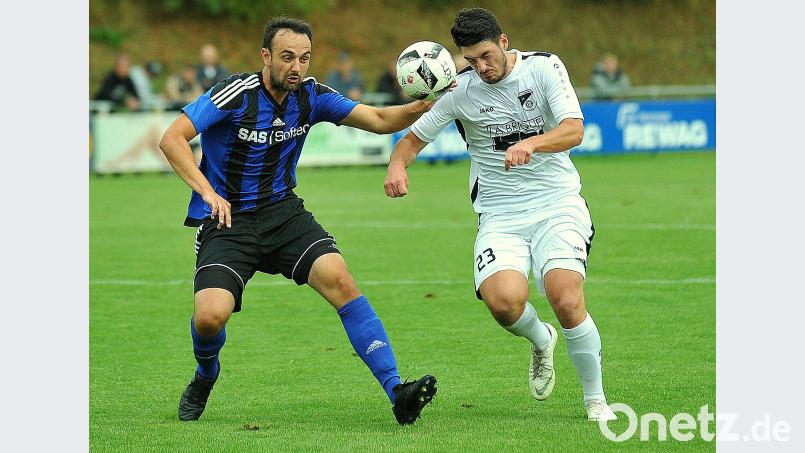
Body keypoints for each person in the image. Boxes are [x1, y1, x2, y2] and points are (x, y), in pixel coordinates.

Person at [159, 16, 439, 425]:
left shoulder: (313, 97)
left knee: (342, 282)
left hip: (283, 213)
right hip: (227, 221)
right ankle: (206, 375)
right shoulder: (235, 93)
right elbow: (172, 138)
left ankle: (397, 390)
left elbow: (380, 121)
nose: (297, 67)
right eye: (287, 57)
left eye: (304, 58)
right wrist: (207, 192)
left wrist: (424, 105)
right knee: (209, 317)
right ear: (266, 56)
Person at [384, 7, 616, 422]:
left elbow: (573, 130)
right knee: (504, 303)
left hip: (556, 203)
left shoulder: (543, 68)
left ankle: (595, 400)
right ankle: (541, 340)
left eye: (487, 55)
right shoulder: (459, 91)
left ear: (504, 42)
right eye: (471, 60)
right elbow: (410, 142)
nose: (481, 66)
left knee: (564, 296)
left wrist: (534, 144)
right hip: (499, 214)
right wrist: (397, 166)